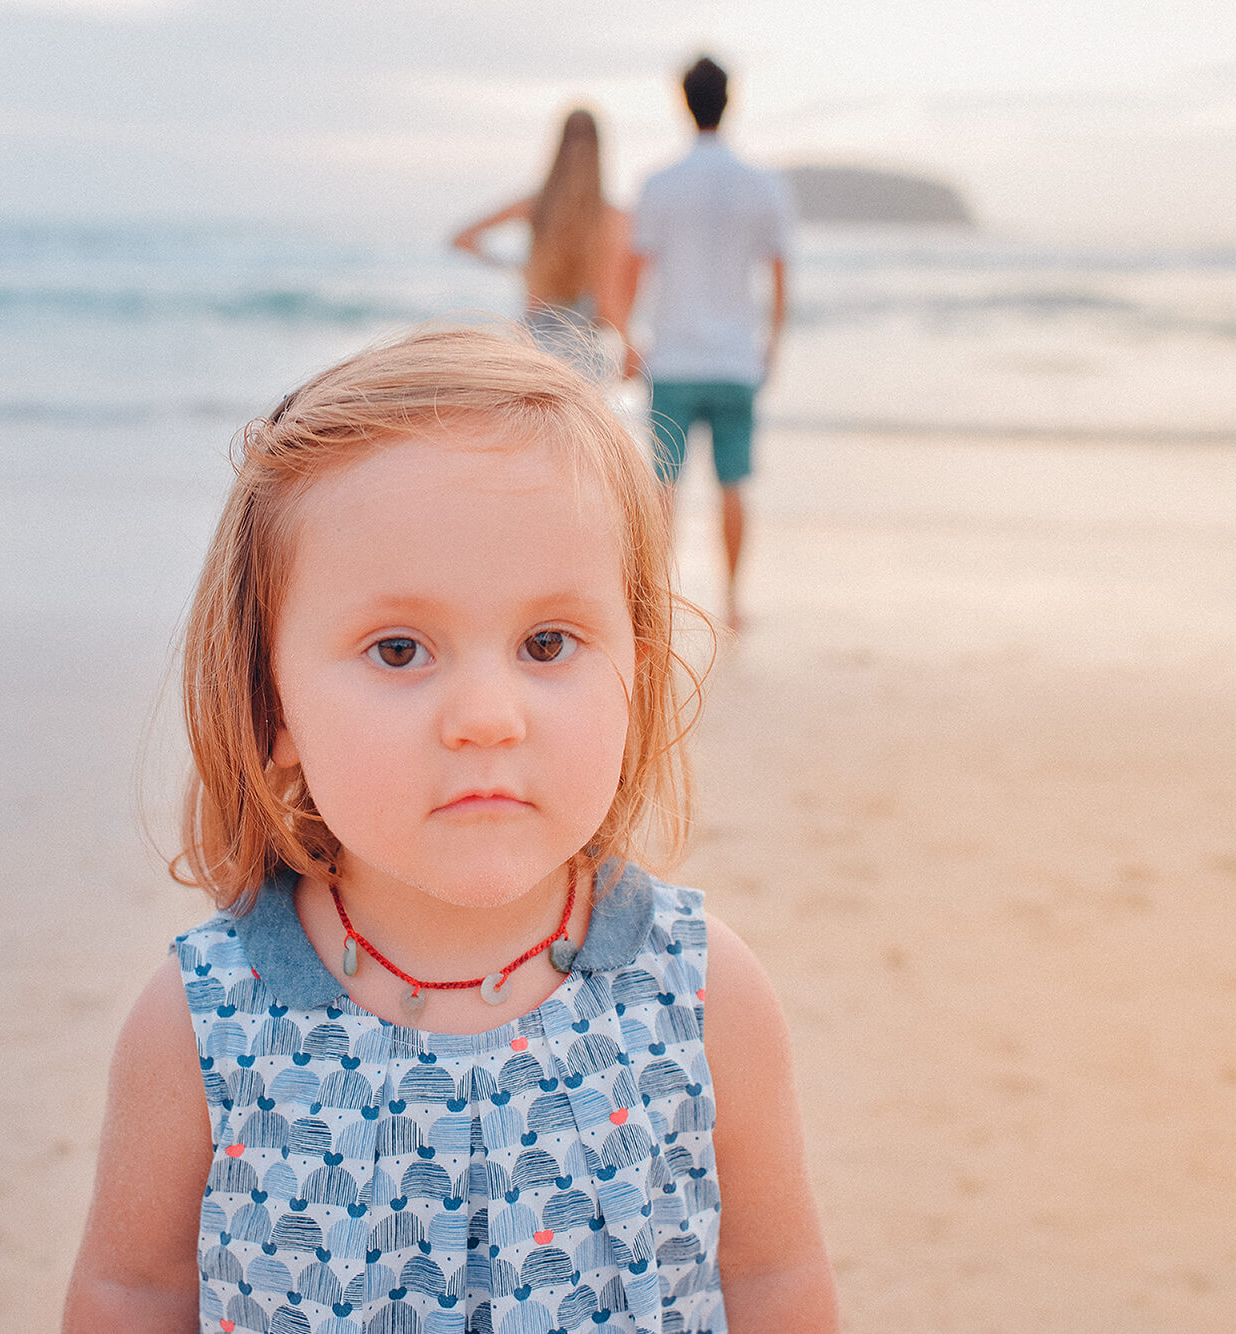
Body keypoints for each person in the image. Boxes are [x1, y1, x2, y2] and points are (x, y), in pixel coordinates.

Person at [60, 328, 838, 1333]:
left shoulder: (697, 990)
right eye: (398, 648)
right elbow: (134, 1289)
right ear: (273, 704)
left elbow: (773, 1273)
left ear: (633, 672)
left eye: (545, 642)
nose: (486, 712)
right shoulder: (208, 1019)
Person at [624, 57, 795, 629]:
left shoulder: (659, 183)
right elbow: (779, 274)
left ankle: (658, 604)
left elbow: (636, 268)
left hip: (672, 356)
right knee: (734, 486)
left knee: (664, 486)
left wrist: (626, 335)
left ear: (683, 101)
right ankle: (733, 603)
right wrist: (773, 342)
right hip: (733, 357)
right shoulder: (762, 183)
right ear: (731, 101)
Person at [451, 109, 634, 381]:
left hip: (534, 340)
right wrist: (630, 351)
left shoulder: (537, 205)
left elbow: (462, 238)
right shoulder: (611, 216)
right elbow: (608, 302)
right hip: (586, 342)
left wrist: (518, 266)